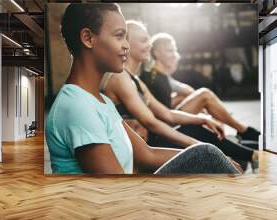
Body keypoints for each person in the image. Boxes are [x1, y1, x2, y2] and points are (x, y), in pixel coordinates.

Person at [45, 3, 240, 175]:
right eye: (119, 36)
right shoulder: (78, 107)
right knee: (208, 154)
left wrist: (214, 160)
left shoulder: (100, 102)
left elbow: (147, 154)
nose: (126, 46)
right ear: (88, 38)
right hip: (111, 209)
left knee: (209, 153)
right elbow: (113, 190)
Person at [100, 20, 258, 172]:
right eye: (143, 40)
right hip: (143, 150)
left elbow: (167, 114)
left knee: (195, 127)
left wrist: (204, 119)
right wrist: (201, 148)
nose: (149, 45)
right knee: (194, 132)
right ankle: (245, 154)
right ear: (126, 43)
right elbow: (153, 123)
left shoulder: (136, 80)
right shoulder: (119, 78)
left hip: (151, 141)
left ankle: (247, 154)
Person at [139, 33, 260, 144]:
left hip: (166, 116)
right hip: (166, 122)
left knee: (188, 96)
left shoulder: (161, 75)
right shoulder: (153, 76)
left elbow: (184, 91)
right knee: (204, 95)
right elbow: (180, 95)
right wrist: (207, 113)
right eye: (170, 51)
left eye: (174, 50)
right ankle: (243, 130)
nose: (174, 54)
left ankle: (221, 126)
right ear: (156, 53)